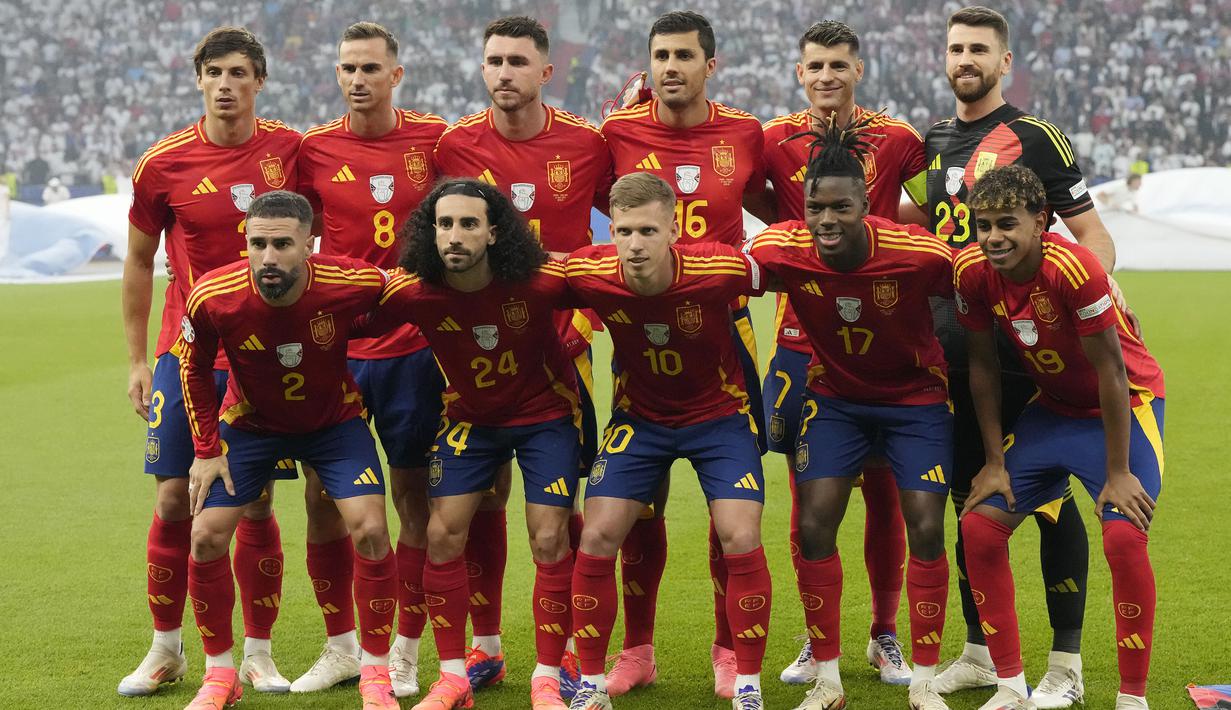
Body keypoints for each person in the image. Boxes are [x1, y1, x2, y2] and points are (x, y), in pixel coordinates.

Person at [924, 8, 1121, 705]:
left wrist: (1072, 315)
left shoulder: (1033, 137)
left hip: (1023, 358)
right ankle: (980, 652)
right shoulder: (934, 142)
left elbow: (1093, 238)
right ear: (942, 58)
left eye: (979, 48)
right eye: (955, 48)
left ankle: (1064, 663)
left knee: (1044, 504)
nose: (965, 58)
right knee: (968, 500)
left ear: (1004, 61)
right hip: (952, 359)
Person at [747, 115, 952, 710]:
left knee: (926, 526)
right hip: (835, 400)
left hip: (915, 401)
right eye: (816, 208)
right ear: (803, 207)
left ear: (867, 204)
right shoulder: (780, 247)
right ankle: (828, 679)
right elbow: (721, 273)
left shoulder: (917, 255)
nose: (827, 220)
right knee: (813, 524)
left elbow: (980, 288)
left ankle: (923, 680)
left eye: (840, 207)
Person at [119, 26, 300, 697]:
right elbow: (139, 262)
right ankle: (167, 649)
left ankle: (258, 652)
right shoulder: (162, 164)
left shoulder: (289, 151)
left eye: (238, 73)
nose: (225, 84)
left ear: (259, 82)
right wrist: (138, 360)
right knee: (172, 500)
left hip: (263, 352)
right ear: (198, 80)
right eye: (213, 72)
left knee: (253, 505)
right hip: (186, 347)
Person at [433, 17, 613, 692]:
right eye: (492, 60)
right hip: (475, 359)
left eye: (516, 61)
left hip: (560, 355)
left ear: (545, 71)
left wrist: (587, 315)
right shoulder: (455, 145)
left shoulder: (585, 144)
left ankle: (562, 652)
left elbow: (615, 238)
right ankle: (483, 647)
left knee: (555, 510)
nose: (502, 71)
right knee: (479, 501)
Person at [361, 178, 582, 710]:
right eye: (444, 224)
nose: (454, 236)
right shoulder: (413, 289)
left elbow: (609, 277)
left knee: (549, 537)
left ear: (494, 232)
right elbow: (340, 305)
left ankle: (550, 675)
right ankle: (455, 678)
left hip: (544, 418)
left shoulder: (541, 280)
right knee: (441, 535)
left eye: (467, 224)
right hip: (469, 422)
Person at [598, 12, 767, 697]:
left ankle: (729, 649)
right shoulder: (615, 133)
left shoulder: (744, 133)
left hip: (724, 337)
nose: (671, 66)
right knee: (639, 503)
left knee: (730, 504)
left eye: (683, 56)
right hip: (639, 340)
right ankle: (636, 651)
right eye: (660, 55)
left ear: (709, 65)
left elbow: (781, 209)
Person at [178, 190, 400, 710]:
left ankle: (374, 674)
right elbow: (193, 367)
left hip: (334, 424)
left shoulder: (351, 279)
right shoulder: (214, 294)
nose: (268, 257)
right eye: (258, 244)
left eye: (282, 244)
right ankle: (220, 676)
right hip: (251, 426)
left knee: (369, 529)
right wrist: (208, 449)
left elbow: (400, 298)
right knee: (206, 537)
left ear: (308, 244)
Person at [954, 164, 1164, 710]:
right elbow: (983, 369)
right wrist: (994, 461)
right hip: (1053, 411)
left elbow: (1113, 372)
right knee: (978, 527)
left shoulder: (1073, 268)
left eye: (1007, 224)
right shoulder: (972, 271)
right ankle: (1008, 688)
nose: (993, 237)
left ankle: (1132, 697)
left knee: (1123, 536)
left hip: (1123, 406)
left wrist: (1118, 474)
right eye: (983, 225)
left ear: (1041, 222)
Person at [760, 20, 929, 687]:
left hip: (882, 342)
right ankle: (815, 637)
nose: (826, 76)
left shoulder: (899, 140)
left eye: (837, 65)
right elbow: (758, 208)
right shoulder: (773, 140)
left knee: (886, 497)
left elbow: (931, 211)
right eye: (814, 67)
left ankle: (884, 635)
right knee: (810, 501)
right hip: (801, 343)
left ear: (857, 69)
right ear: (798, 74)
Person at [566, 172, 772, 710]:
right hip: (641, 420)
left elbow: (791, 269)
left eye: (649, 231)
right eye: (625, 231)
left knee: (739, 534)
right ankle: (600, 679)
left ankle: (742, 676)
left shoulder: (719, 268)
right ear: (610, 230)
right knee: (598, 534)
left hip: (720, 417)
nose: (635, 245)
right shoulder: (588, 271)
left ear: (674, 229)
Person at [293, 21, 449, 698]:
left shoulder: (434, 140)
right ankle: (341, 646)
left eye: (369, 68)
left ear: (396, 75)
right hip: (338, 350)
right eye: (346, 68)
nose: (356, 78)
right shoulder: (313, 150)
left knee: (414, 497)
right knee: (322, 497)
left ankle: (408, 650)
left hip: (416, 348)